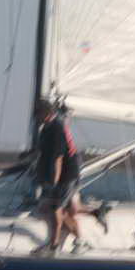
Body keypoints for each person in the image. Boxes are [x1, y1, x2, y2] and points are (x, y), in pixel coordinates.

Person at [33, 99, 87, 253]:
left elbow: (58, 157)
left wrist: (54, 182)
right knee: (58, 210)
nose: (36, 118)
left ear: (45, 114)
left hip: (66, 176)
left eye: (38, 114)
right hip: (59, 176)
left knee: (56, 208)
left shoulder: (56, 128)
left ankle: (54, 245)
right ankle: (78, 240)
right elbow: (43, 151)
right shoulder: (46, 128)